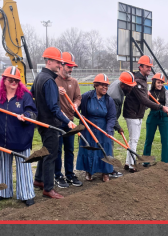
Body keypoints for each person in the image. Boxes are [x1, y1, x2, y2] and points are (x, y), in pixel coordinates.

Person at [0, 66, 37, 207]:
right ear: (4, 81)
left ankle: (26, 194)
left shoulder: (25, 96)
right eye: (10, 80)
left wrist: (26, 116)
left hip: (21, 139)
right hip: (1, 139)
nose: (13, 83)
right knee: (3, 166)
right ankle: (4, 193)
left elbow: (33, 112)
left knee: (23, 167)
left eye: (16, 80)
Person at [31, 47, 77, 199]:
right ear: (49, 61)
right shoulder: (50, 81)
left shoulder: (39, 77)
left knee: (45, 151)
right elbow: (54, 108)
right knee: (51, 155)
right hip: (50, 124)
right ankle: (48, 188)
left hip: (41, 122)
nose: (59, 65)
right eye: (57, 62)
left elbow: (31, 94)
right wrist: (68, 122)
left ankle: (38, 180)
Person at [122, 56, 168, 172]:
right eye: (147, 66)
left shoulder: (143, 79)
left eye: (150, 67)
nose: (149, 68)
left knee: (132, 140)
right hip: (132, 113)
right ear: (140, 67)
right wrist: (161, 107)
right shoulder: (138, 80)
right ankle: (131, 165)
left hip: (136, 113)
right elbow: (144, 100)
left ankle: (128, 162)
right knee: (134, 140)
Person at [76, 74, 117, 182]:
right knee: (89, 148)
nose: (105, 87)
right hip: (88, 129)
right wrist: (81, 117)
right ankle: (89, 172)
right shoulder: (86, 97)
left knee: (105, 150)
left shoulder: (109, 100)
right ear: (96, 85)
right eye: (102, 85)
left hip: (103, 129)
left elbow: (112, 117)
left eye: (106, 85)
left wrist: (108, 130)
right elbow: (76, 110)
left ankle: (105, 172)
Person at [55, 52, 83, 188]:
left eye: (72, 67)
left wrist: (76, 104)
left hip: (70, 121)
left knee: (70, 149)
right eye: (69, 66)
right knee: (58, 149)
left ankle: (70, 174)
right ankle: (58, 175)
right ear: (61, 65)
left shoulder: (74, 82)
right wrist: (55, 91)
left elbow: (78, 97)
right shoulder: (54, 81)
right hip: (58, 121)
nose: (71, 69)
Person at [107, 71, 137, 177]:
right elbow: (112, 116)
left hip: (107, 119)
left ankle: (104, 169)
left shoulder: (118, 83)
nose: (131, 89)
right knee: (108, 145)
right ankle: (109, 170)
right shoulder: (116, 97)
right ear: (123, 85)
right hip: (107, 122)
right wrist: (118, 127)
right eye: (129, 87)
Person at [143, 73, 168, 164]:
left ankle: (166, 161)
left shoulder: (165, 92)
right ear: (154, 82)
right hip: (153, 116)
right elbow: (146, 107)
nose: (160, 85)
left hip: (163, 116)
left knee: (165, 140)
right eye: (158, 82)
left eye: (162, 83)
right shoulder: (149, 92)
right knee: (149, 139)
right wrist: (146, 96)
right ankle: (146, 161)